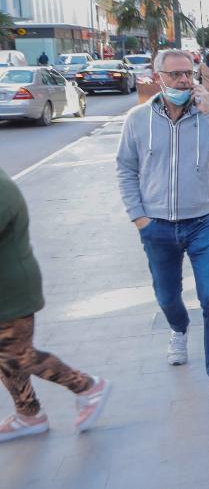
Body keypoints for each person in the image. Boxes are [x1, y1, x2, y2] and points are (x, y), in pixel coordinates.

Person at [115, 49, 209, 409]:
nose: (183, 81)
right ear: (158, 76)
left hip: (203, 221)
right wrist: (139, 217)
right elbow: (126, 168)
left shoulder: (208, 115)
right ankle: (178, 328)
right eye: (174, 75)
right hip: (156, 224)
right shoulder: (137, 119)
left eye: (187, 74)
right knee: (167, 296)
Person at [0, 170, 112, 442]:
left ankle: (87, 386)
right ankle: (29, 414)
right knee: (5, 356)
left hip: (12, 289)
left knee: (15, 355)